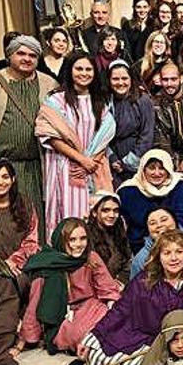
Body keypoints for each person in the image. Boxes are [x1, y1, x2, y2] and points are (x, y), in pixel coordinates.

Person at [81, 230, 183, 365]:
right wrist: (94, 334)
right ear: (158, 256)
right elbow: (122, 308)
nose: (174, 258)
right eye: (167, 253)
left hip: (179, 340)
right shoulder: (145, 278)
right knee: (101, 354)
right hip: (143, 334)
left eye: (179, 252)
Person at [35, 51, 115, 238]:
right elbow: (51, 136)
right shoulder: (56, 100)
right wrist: (81, 160)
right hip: (63, 166)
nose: (84, 73)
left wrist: (91, 163)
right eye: (79, 68)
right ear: (70, 70)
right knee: (65, 215)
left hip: (91, 169)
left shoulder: (100, 101)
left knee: (90, 216)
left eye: (89, 69)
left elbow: (106, 134)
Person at [20, 218, 120, 354]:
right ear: (62, 241)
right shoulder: (47, 265)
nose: (78, 244)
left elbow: (107, 286)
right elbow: (34, 304)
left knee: (114, 324)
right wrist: (27, 338)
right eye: (72, 240)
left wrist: (112, 304)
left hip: (93, 306)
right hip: (66, 315)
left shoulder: (91, 258)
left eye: (83, 238)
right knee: (82, 333)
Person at [0, 35, 57, 238]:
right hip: (3, 167)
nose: (27, 58)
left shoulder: (49, 84)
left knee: (38, 218)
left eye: (32, 55)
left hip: (39, 167)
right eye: (21, 53)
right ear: (10, 55)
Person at [0, 158, 40, 365]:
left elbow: (32, 240)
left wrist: (15, 260)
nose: (0, 182)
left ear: (13, 179)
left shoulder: (25, 205)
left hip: (21, 267)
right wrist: (0, 264)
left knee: (14, 285)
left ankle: (1, 350)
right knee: (4, 286)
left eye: (4, 177)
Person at [118, 149, 183, 252]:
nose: (157, 173)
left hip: (179, 241)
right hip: (142, 246)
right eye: (151, 168)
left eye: (162, 168)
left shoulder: (178, 185)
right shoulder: (129, 190)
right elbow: (131, 223)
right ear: (143, 169)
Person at [130, 206, 183, 281]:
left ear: (175, 221)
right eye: (153, 223)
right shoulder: (141, 259)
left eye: (164, 219)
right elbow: (134, 293)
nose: (159, 225)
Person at [107, 59, 154, 187]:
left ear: (131, 79)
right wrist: (112, 158)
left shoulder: (143, 100)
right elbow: (99, 133)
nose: (120, 83)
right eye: (115, 79)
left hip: (136, 162)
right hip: (111, 162)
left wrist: (126, 163)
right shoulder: (105, 102)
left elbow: (147, 135)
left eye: (124, 78)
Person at [86, 193, 130, 285]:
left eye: (116, 211)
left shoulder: (119, 231)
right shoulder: (86, 235)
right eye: (106, 210)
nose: (112, 215)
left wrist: (121, 281)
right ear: (94, 213)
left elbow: (127, 260)